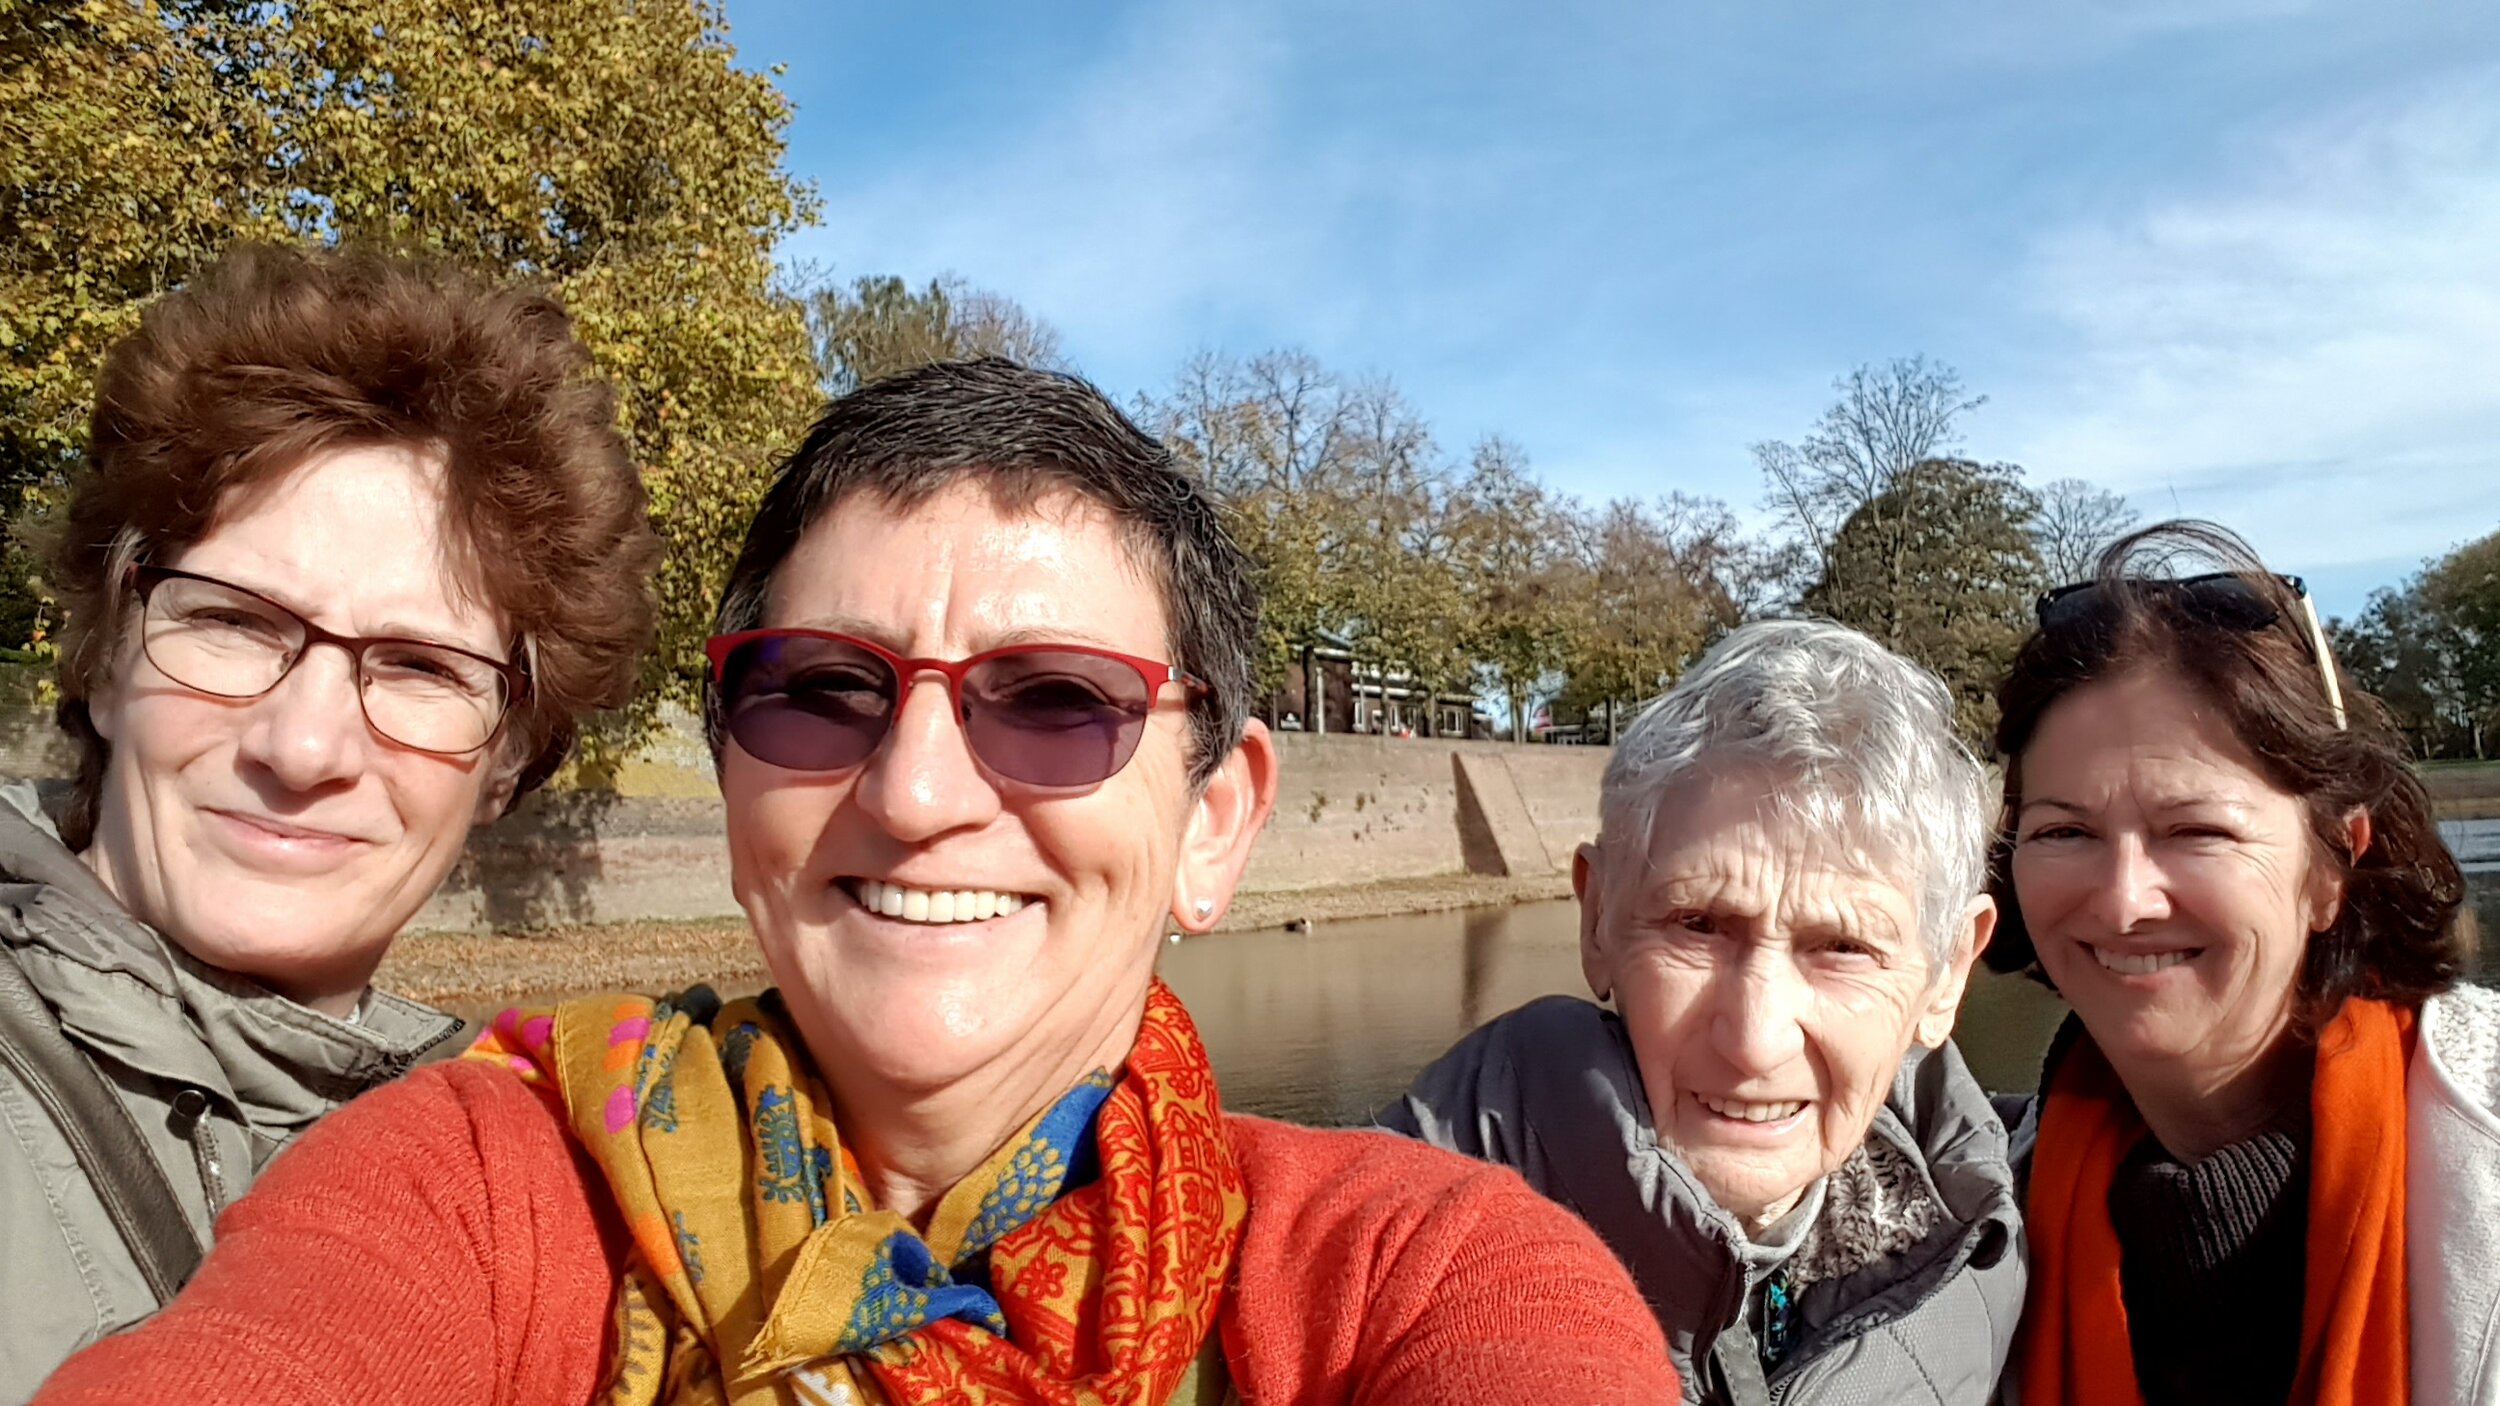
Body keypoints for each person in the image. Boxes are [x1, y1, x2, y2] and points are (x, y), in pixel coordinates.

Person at [36, 359, 1678, 1405]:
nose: (913, 790)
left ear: (1214, 822)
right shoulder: (472, 1173)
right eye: (821, 688)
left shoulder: (1425, 1269)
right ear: (737, 771)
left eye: (1054, 702)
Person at [0, 244, 658, 1399]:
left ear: (507, 758)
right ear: (104, 652)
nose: (302, 748)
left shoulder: (551, 1178)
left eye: (418, 666)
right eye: (236, 623)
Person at [1382, 619, 2024, 1404]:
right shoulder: (1380, 1256)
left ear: (1948, 976)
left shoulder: (1990, 1245)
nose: (1755, 1040)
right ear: (1597, 921)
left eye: (1844, 949)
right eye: (1699, 926)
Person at [1988, 522, 2491, 1406]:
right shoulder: (1975, 1223)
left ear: (2334, 863)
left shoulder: (2478, 1163)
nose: (2123, 900)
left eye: (2197, 831)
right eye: (2065, 831)